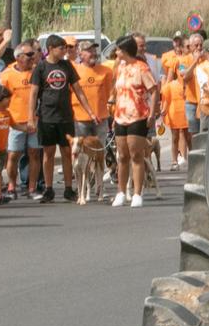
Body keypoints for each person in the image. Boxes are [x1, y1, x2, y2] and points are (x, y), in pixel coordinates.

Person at [109, 36, 159, 208]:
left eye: (118, 50)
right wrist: (114, 115)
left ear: (125, 51)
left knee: (136, 155)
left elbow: (153, 91)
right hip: (121, 116)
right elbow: (118, 93)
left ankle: (137, 193)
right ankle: (121, 192)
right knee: (121, 156)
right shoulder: (120, 68)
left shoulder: (141, 68)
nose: (116, 53)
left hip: (138, 115)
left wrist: (152, 114)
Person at [30, 34, 79, 203]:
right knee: (48, 153)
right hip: (47, 116)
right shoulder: (41, 67)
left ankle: (68, 188)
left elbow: (78, 89)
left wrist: (89, 110)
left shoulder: (67, 66)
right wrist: (31, 117)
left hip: (65, 116)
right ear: (51, 49)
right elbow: (34, 93)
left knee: (67, 152)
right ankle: (49, 188)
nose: (65, 51)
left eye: (66, 48)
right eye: (61, 48)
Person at [70, 37, 115, 203]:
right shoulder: (74, 71)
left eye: (94, 50)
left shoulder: (105, 71)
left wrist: (110, 109)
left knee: (99, 154)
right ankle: (81, 188)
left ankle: (99, 188)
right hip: (80, 119)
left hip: (101, 118)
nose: (93, 53)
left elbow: (110, 92)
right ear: (80, 54)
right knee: (81, 156)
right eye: (89, 50)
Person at [0, 42, 40, 200]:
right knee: (13, 155)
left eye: (33, 54)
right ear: (18, 57)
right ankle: (11, 186)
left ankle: (32, 188)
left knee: (34, 154)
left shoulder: (37, 71)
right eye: (29, 55)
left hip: (34, 120)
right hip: (15, 122)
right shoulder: (7, 73)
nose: (32, 57)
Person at [161, 68, 191, 166]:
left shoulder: (188, 83)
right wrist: (164, 110)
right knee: (175, 137)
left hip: (186, 112)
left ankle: (192, 159)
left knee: (188, 137)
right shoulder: (170, 85)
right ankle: (174, 161)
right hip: (174, 113)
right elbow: (166, 98)